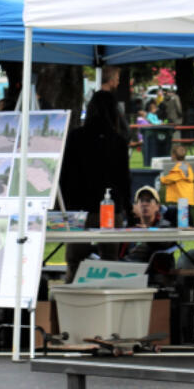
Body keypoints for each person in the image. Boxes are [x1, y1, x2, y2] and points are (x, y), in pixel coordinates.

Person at [59, 65, 131, 278]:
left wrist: (66, 206)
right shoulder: (117, 141)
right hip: (110, 208)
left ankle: (72, 295)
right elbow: (123, 178)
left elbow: (65, 175)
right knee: (110, 258)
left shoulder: (75, 137)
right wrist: (126, 205)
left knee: (75, 258)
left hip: (79, 209)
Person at [158, 143, 194, 210]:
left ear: (174, 155)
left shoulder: (178, 170)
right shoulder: (187, 167)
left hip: (181, 200)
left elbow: (167, 180)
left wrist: (158, 179)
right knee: (185, 217)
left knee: (179, 217)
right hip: (188, 198)